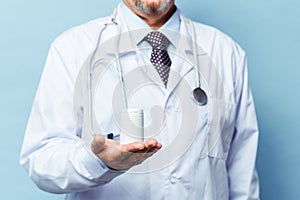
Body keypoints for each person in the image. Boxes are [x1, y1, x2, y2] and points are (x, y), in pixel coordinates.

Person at [20, 0, 260, 199]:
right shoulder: (73, 49)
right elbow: (42, 161)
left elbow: (242, 174)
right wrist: (99, 163)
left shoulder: (226, 52)